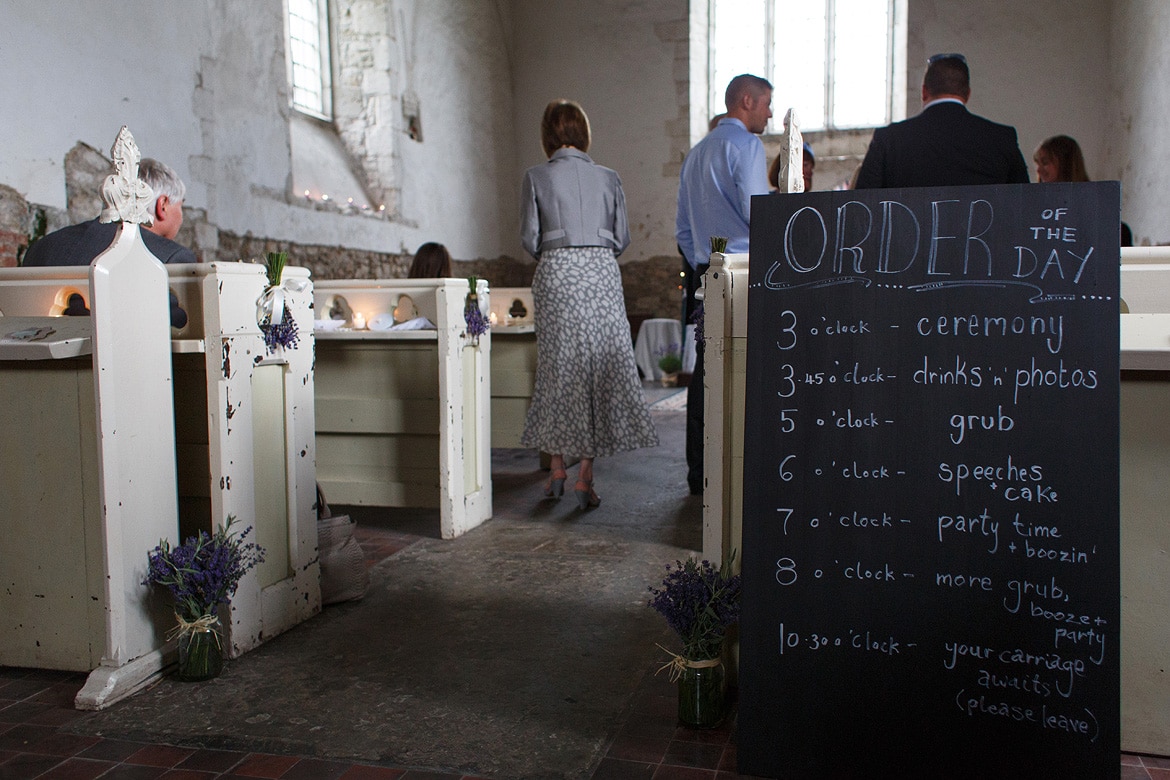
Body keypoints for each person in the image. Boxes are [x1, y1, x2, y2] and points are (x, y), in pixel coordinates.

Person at [519, 99, 658, 510]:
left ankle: (557, 468)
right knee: (598, 368)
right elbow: (623, 237)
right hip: (599, 269)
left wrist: (559, 250)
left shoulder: (535, 177)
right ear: (584, 133)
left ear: (547, 135)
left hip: (557, 269)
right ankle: (586, 478)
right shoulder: (609, 177)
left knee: (557, 368)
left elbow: (529, 238)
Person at [676, 74, 773, 495]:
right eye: (767, 103)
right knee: (748, 370)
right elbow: (760, 213)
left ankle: (700, 472)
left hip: (705, 271)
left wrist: (702, 256)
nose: (770, 112)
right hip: (744, 270)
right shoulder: (746, 146)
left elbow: (681, 229)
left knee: (706, 372)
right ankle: (745, 469)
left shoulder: (695, 155)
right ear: (746, 101)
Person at [22, 157, 194, 327]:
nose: (181, 216)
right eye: (180, 206)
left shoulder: (41, 247)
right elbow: (181, 335)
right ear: (162, 205)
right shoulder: (171, 258)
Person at [854, 53, 1029, 189]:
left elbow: (862, 206)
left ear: (924, 92)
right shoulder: (1001, 138)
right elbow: (1024, 203)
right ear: (967, 94)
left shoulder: (889, 139)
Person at [1034, 134, 1132, 246]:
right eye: (1037, 163)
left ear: (1065, 165)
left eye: (1045, 162)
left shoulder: (1095, 205)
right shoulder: (1033, 208)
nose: (1038, 170)